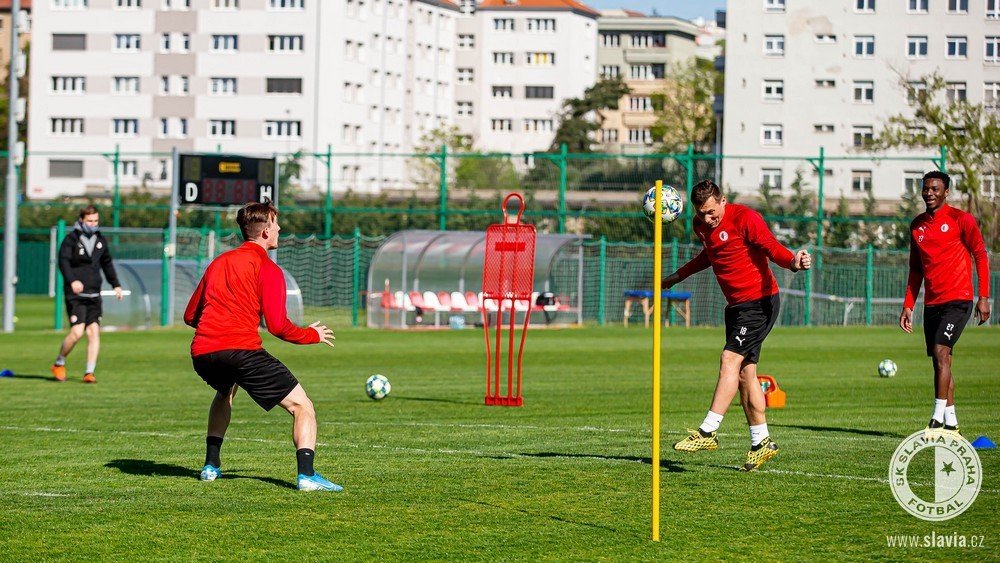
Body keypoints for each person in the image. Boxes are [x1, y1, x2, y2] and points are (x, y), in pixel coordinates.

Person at [184, 200, 340, 491]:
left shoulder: (219, 262)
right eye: (276, 224)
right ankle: (307, 475)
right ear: (266, 231)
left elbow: (190, 315)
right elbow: (278, 326)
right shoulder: (267, 268)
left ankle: (210, 465)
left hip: (202, 353)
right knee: (302, 406)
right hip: (241, 351)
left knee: (225, 390)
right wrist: (311, 335)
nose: (280, 228)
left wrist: (217, 330)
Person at [662, 180, 811, 471]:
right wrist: (677, 276)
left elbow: (771, 247)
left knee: (729, 359)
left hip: (760, 302)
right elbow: (711, 255)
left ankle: (707, 431)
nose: (707, 218)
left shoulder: (745, 218)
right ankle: (761, 443)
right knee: (746, 374)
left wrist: (794, 262)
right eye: (701, 213)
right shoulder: (700, 225)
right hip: (736, 307)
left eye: (711, 212)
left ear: (723, 201)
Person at [899, 170, 990, 437]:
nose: (929, 193)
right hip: (932, 303)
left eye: (935, 189)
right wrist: (908, 304)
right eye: (926, 188)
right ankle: (952, 423)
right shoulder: (917, 226)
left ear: (946, 192)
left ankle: (936, 420)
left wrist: (983, 298)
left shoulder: (962, 220)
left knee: (941, 353)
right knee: (942, 361)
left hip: (959, 300)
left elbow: (981, 255)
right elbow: (915, 269)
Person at [51, 205, 123, 384]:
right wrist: (72, 281)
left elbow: (107, 263)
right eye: (89, 221)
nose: (93, 224)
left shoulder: (100, 240)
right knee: (77, 332)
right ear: (81, 220)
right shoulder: (71, 239)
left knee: (93, 332)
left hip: (94, 294)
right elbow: (63, 262)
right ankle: (59, 362)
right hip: (76, 295)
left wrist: (116, 285)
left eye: (96, 221)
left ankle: (89, 372)